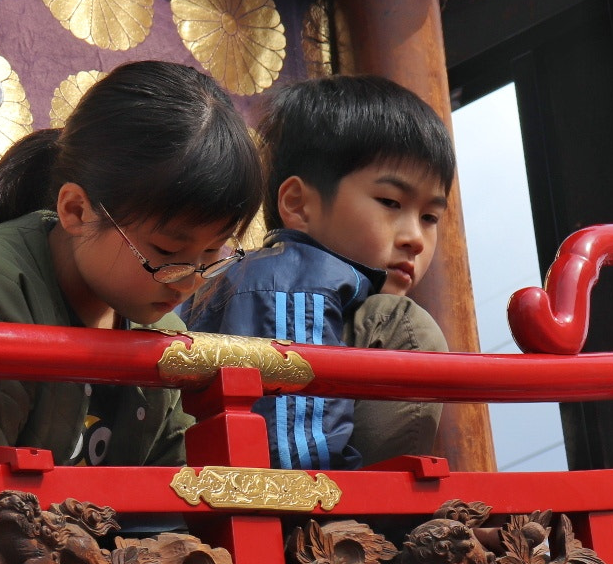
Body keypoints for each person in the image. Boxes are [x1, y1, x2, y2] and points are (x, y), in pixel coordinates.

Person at [0, 61, 262, 467]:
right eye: (167, 253)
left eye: (213, 254)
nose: (188, 284)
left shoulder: (164, 330)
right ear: (76, 210)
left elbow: (175, 492)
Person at [183, 74, 454, 469]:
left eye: (430, 217)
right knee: (404, 326)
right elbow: (296, 463)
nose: (415, 237)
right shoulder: (291, 279)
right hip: (285, 513)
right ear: (299, 204)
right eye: (391, 202)